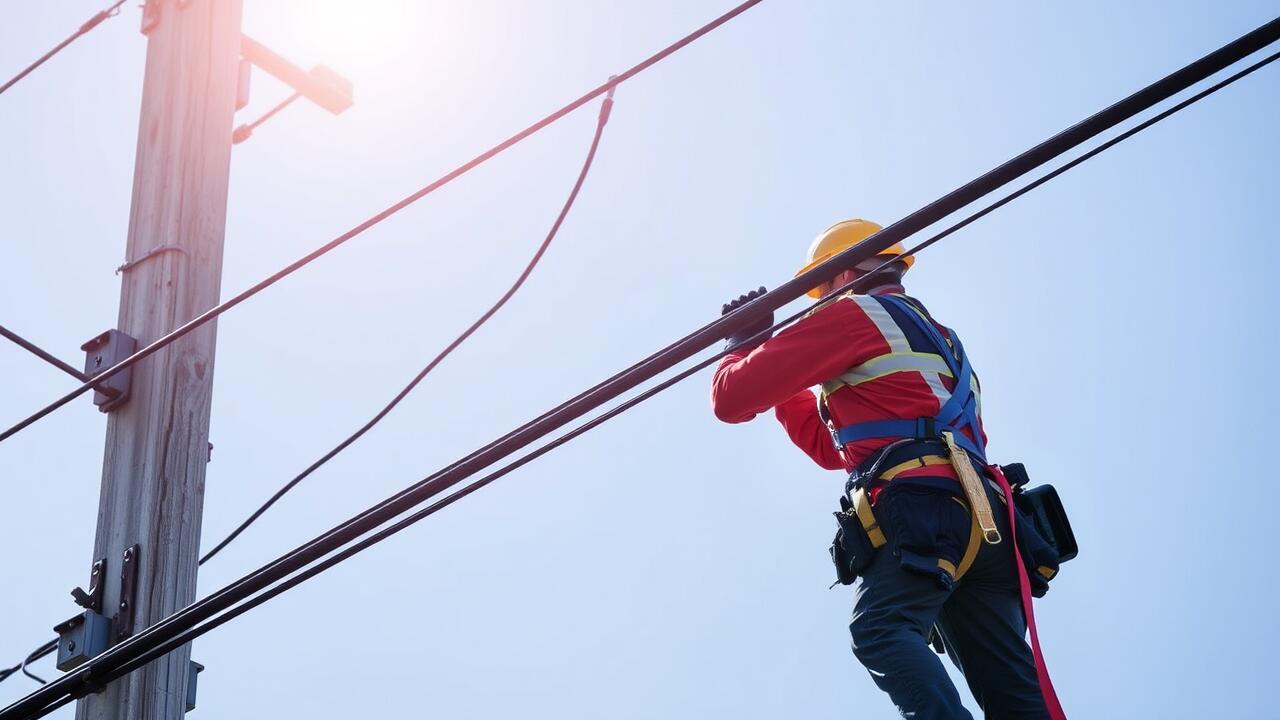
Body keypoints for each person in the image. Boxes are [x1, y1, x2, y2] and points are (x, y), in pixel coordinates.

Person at [710, 219, 1057, 719]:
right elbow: (834, 449)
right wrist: (786, 382)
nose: (821, 301)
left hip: (925, 511)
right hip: (990, 527)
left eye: (822, 288)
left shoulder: (855, 315)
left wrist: (742, 345)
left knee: (880, 630)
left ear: (841, 274)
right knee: (1011, 690)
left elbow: (731, 398)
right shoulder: (944, 342)